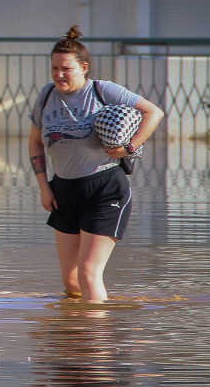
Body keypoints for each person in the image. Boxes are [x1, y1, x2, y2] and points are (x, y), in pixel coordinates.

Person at [28, 27, 164, 302]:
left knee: (89, 273)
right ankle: (75, 336)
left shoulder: (102, 91)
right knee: (71, 280)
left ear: (84, 68)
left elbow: (154, 112)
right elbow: (34, 143)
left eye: (66, 68)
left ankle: (96, 340)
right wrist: (44, 186)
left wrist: (129, 147)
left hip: (104, 189)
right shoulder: (45, 97)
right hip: (63, 190)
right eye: (54, 68)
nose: (58, 74)